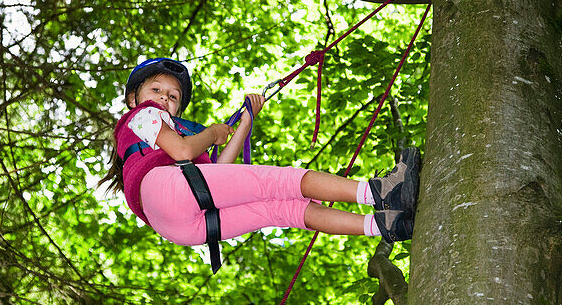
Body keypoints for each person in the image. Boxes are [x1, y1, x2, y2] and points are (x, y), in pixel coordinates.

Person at [103, 57, 420, 257]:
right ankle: (380, 191)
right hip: (170, 191)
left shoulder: (164, 141)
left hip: (181, 226)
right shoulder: (142, 117)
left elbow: (216, 173)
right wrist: (213, 133)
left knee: (283, 211)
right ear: (134, 99)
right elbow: (186, 151)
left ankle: (386, 225)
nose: (163, 98)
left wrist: (245, 123)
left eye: (172, 97)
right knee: (282, 181)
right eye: (156, 90)